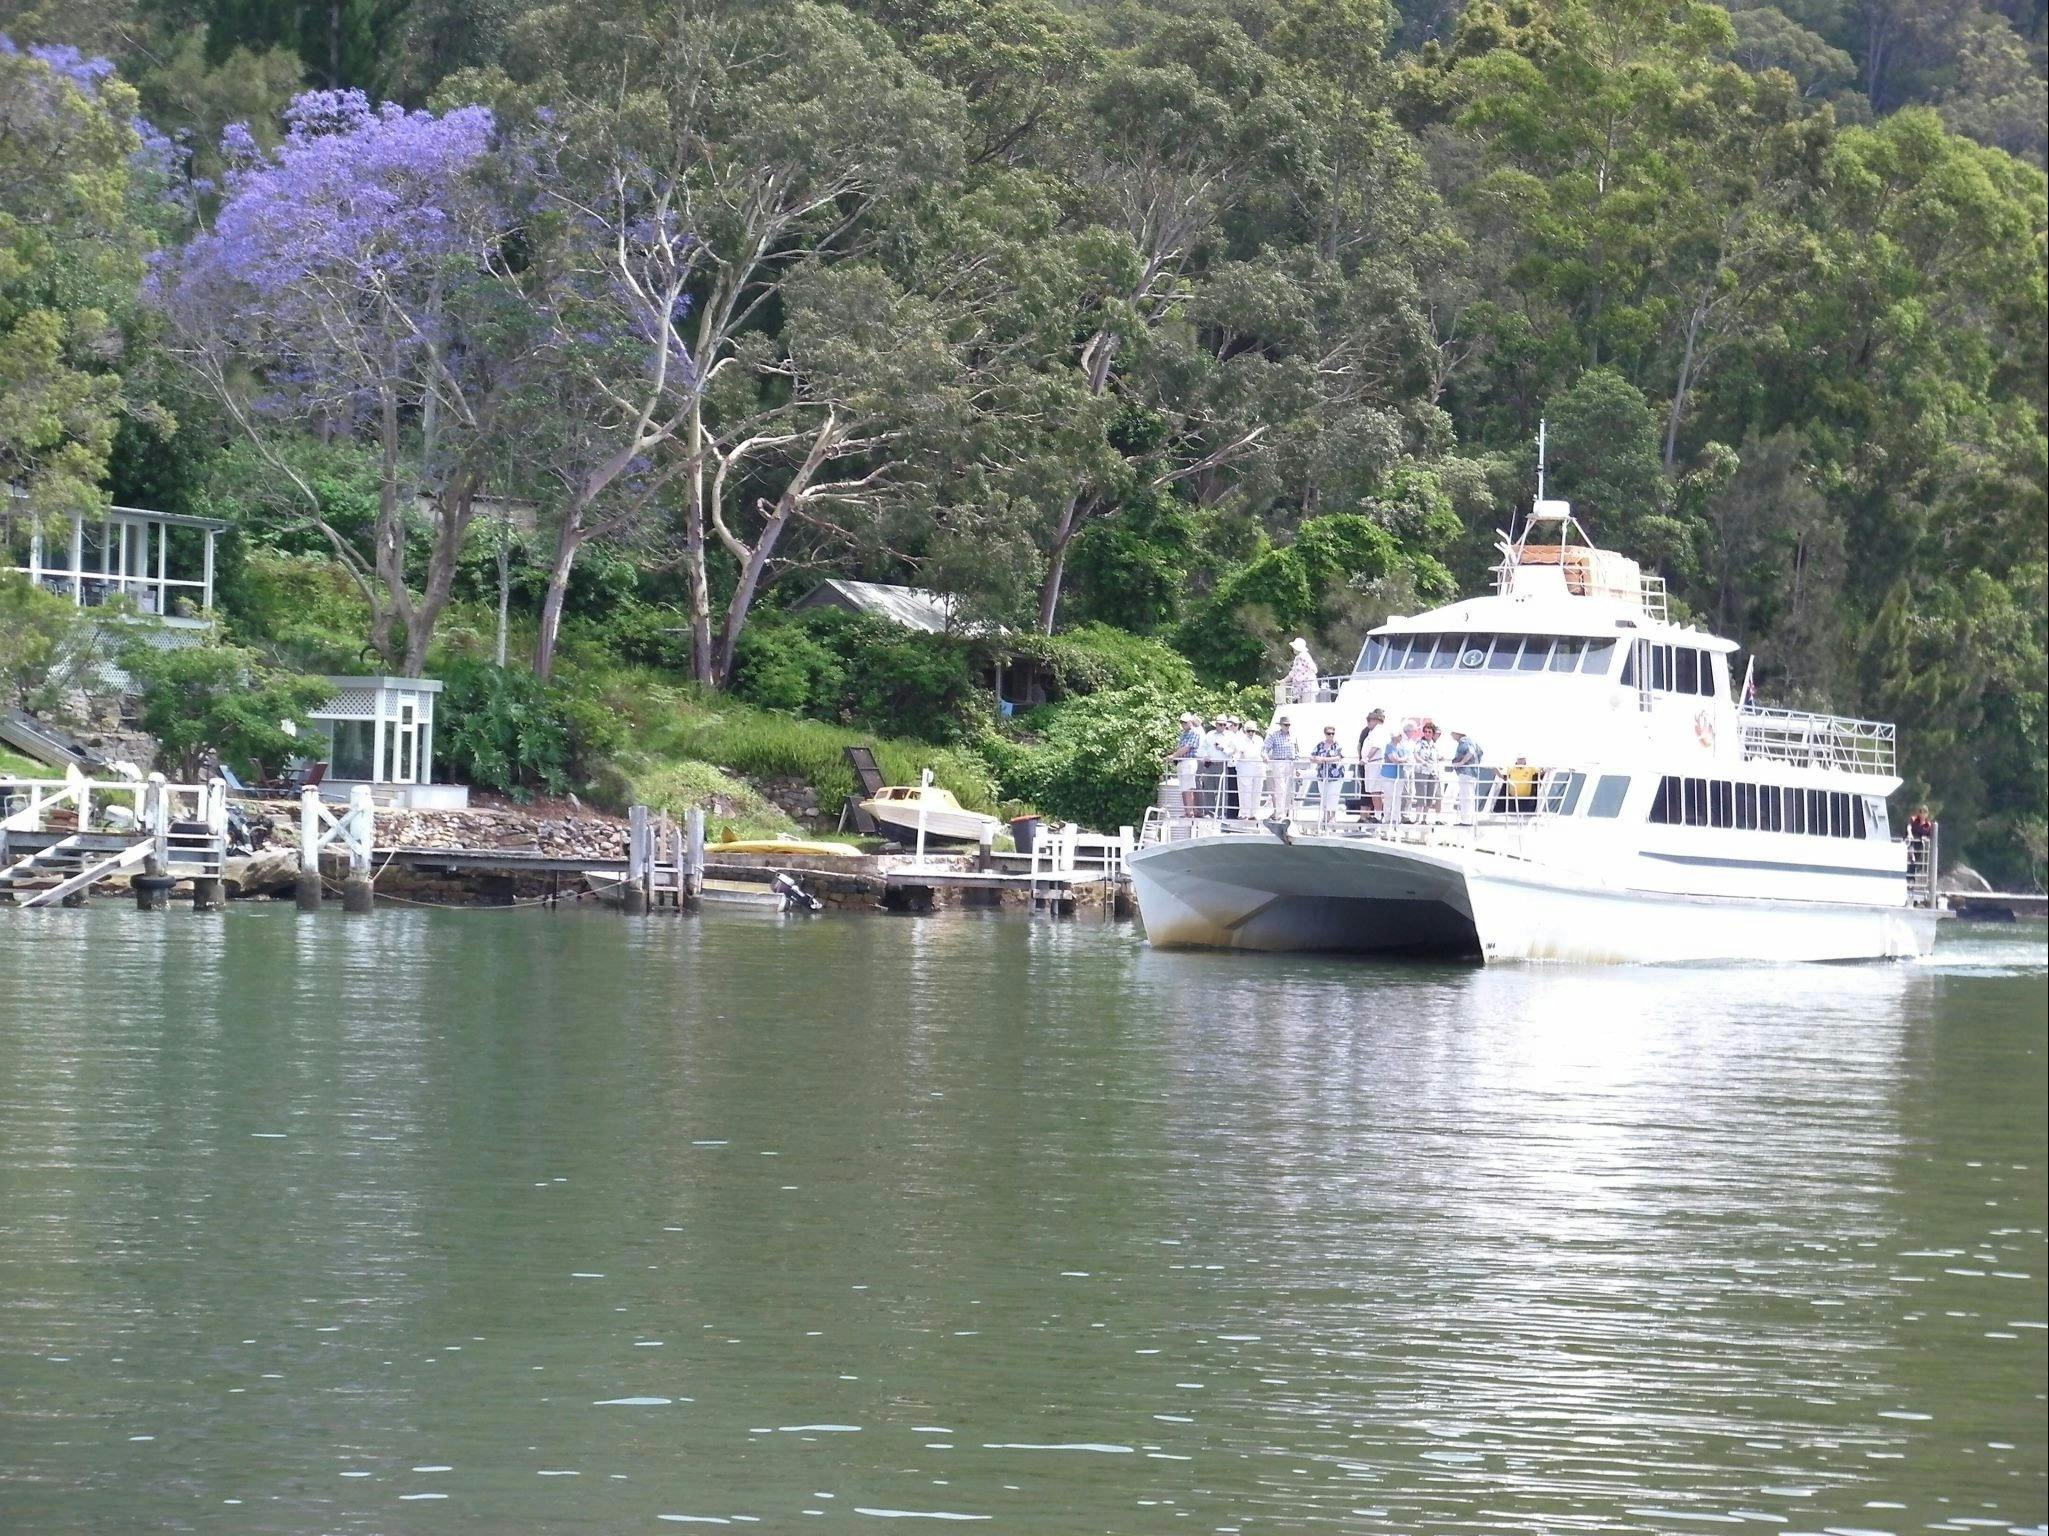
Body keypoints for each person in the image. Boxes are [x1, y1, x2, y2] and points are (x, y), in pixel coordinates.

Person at [1356, 708, 1390, 823]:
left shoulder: (1379, 731)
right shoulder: (1372, 731)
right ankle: (1378, 814)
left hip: (1375, 762)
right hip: (1371, 765)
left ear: (1375, 720)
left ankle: (1379, 815)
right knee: (1373, 791)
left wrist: (1366, 758)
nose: (1368, 722)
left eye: (1369, 720)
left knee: (1376, 791)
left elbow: (1376, 747)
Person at [1165, 711, 1201, 816]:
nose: (1183, 724)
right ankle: (1187, 811)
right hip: (1182, 762)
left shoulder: (1194, 733)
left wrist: (1173, 756)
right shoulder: (1183, 734)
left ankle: (1190, 811)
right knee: (1183, 788)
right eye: (1182, 722)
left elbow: (1186, 748)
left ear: (1190, 722)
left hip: (1189, 761)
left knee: (1189, 787)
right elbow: (1181, 748)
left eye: (1185, 722)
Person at [1263, 715, 1299, 818]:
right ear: (1281, 725)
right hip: (1278, 762)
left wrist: (1296, 766)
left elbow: (1296, 751)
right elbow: (1265, 748)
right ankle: (1279, 812)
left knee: (1288, 789)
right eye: (1285, 725)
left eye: (1288, 725)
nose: (1287, 727)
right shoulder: (1274, 735)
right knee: (1280, 788)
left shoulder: (1293, 736)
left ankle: (1287, 811)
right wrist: (1265, 756)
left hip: (1290, 763)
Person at [1311, 724, 1347, 825]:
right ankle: (1325, 815)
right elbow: (1312, 757)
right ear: (1325, 734)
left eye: (1332, 734)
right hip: (1322, 774)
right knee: (1324, 795)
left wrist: (1323, 759)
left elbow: (1339, 757)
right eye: (1329, 733)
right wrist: (1317, 760)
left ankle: (1333, 816)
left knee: (1333, 795)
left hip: (1335, 775)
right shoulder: (1320, 745)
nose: (1331, 735)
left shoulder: (1337, 745)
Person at [1381, 720, 1415, 825]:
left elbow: (1407, 757)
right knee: (1388, 797)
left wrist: (1402, 759)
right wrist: (1402, 759)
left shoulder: (1401, 747)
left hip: (1399, 775)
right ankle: (1387, 818)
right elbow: (1394, 759)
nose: (1401, 737)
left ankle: (1396, 818)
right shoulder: (1389, 746)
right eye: (1399, 736)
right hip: (1388, 775)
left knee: (1397, 797)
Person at [1447, 727, 1484, 822]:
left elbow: (1470, 752)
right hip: (1473, 773)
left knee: (1465, 797)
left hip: (1465, 773)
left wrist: (1461, 763)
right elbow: (1480, 753)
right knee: (1469, 797)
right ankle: (1469, 820)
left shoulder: (1464, 741)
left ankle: (1466, 821)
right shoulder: (1472, 741)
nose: (1451, 735)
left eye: (1453, 733)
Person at [1197, 714, 1229, 819]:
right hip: (1210, 765)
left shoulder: (1230, 736)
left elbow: (1233, 751)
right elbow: (1202, 748)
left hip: (1223, 765)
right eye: (1220, 724)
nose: (1222, 726)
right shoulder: (1210, 735)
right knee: (1208, 788)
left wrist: (1223, 748)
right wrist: (1204, 756)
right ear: (1216, 724)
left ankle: (1221, 813)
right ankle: (1210, 812)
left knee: (1223, 789)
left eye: (1224, 724)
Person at [1233, 717, 1264, 820]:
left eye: (1253, 731)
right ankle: (1245, 813)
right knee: (1245, 791)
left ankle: (1254, 813)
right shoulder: (1240, 740)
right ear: (1245, 731)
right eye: (1249, 731)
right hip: (1245, 767)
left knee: (1257, 791)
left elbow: (1262, 753)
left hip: (1257, 767)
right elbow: (1240, 753)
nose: (1251, 733)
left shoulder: (1259, 740)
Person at [1283, 637, 1319, 704]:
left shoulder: (1304, 656)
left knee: (1306, 707)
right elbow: (1293, 672)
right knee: (1301, 707)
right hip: (1300, 687)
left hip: (1307, 687)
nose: (1293, 649)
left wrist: (1305, 677)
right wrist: (1284, 681)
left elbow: (1314, 669)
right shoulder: (1298, 658)